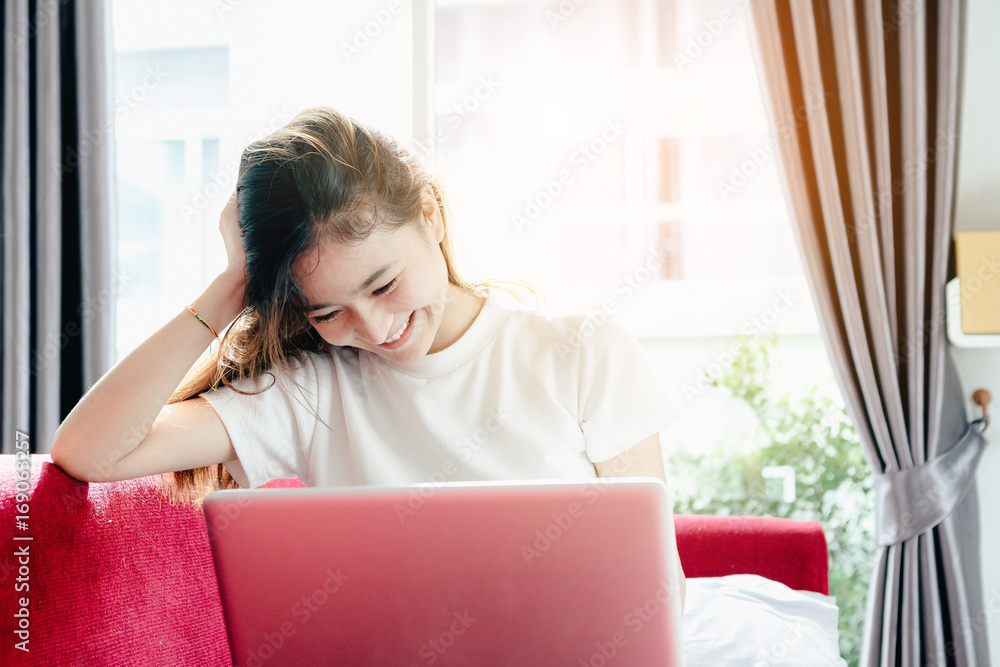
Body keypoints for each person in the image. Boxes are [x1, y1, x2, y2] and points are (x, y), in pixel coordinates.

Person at [50, 106, 684, 599]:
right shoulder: (307, 392)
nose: (376, 327)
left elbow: (655, 585)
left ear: (431, 217)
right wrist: (232, 289)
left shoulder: (581, 354)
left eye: (383, 284)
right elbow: (91, 453)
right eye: (327, 311)